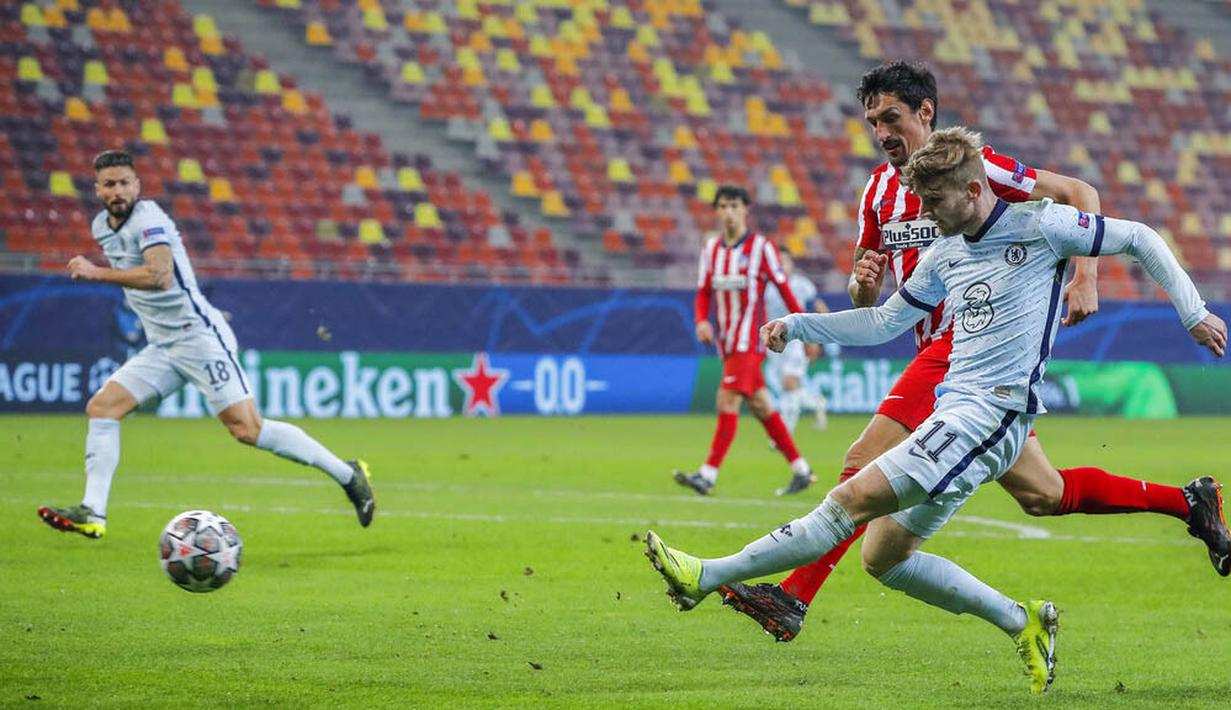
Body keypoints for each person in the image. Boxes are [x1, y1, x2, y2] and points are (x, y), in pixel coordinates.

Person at [645, 126, 1228, 694]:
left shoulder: (1043, 225)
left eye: (935, 200)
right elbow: (882, 321)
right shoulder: (946, 251)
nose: (925, 214)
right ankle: (1021, 621)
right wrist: (798, 326)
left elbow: (1141, 237)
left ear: (974, 191)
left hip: (992, 415)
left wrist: (1193, 314)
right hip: (959, 410)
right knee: (884, 558)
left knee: (850, 497)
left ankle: (708, 576)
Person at [37, 150, 375, 539]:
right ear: (97, 189)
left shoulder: (149, 219)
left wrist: (98, 274)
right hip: (163, 345)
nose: (118, 191)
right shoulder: (102, 226)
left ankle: (349, 475)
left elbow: (161, 275)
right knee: (103, 408)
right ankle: (93, 512)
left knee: (247, 429)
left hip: (198, 337)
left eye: (124, 182)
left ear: (137, 186)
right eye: (109, 184)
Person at [673, 185, 815, 497]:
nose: (728, 212)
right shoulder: (710, 250)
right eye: (722, 206)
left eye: (734, 205)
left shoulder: (762, 248)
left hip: (749, 342)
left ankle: (708, 475)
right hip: (727, 343)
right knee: (762, 406)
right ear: (717, 211)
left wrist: (807, 327)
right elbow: (703, 293)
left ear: (745, 210)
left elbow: (785, 287)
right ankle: (801, 470)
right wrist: (700, 321)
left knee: (726, 400)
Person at [762, 252, 833, 434]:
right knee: (787, 387)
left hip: (796, 340)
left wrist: (821, 338)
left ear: (792, 264)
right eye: (777, 261)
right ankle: (816, 402)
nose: (781, 265)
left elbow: (818, 307)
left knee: (789, 383)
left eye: (784, 261)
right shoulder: (766, 286)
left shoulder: (802, 285)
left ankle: (785, 432)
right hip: (773, 342)